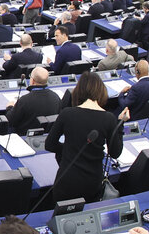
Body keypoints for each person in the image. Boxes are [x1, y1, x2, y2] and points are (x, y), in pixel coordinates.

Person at [45, 73, 124, 202]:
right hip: (92, 182)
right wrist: (120, 124)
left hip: (67, 179)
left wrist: (68, 149)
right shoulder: (109, 118)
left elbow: (49, 145)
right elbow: (115, 153)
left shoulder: (67, 114)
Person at [5, 67, 62, 134]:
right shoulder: (56, 97)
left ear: (32, 81)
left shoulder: (24, 100)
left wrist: (10, 107)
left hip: (24, 136)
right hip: (46, 134)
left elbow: (10, 121)